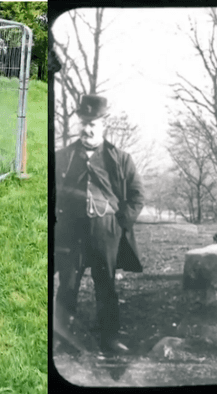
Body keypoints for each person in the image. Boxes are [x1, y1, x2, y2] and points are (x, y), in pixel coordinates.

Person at [54, 94, 145, 354]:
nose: (88, 128)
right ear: (78, 124)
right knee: (67, 287)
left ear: (104, 125)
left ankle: (110, 339)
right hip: (71, 234)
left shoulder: (119, 159)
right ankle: (62, 339)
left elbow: (138, 196)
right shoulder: (62, 158)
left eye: (94, 123)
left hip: (106, 233)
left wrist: (119, 224)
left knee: (106, 286)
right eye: (84, 122)